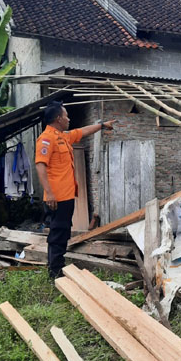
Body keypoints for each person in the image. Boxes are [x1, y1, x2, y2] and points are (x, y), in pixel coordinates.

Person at [35, 102, 114, 279]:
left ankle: (58, 267)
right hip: (56, 198)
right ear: (58, 119)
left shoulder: (62, 136)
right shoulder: (47, 139)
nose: (69, 119)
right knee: (57, 234)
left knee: (63, 232)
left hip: (67, 196)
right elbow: (40, 165)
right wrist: (50, 193)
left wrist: (101, 125)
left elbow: (82, 131)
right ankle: (55, 273)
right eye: (66, 115)